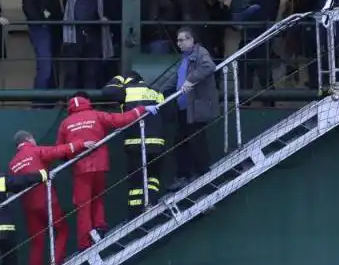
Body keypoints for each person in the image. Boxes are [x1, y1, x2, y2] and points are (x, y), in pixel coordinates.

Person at [56, 93, 158, 249]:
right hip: (100, 165)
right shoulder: (96, 115)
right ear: (87, 103)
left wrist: (70, 156)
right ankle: (100, 227)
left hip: (81, 168)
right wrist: (142, 109)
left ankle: (85, 244)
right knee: (98, 198)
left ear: (70, 107)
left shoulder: (65, 124)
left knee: (83, 207)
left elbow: (60, 150)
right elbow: (119, 120)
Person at [8, 131, 93, 265]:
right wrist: (81, 144)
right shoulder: (34, 150)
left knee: (37, 242)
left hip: (29, 206)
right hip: (46, 200)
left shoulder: (13, 164)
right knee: (62, 229)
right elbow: (57, 151)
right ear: (29, 139)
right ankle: (57, 263)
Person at [102, 71, 166, 214]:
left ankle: (136, 212)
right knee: (153, 178)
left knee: (136, 182)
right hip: (157, 144)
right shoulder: (156, 92)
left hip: (136, 143)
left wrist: (118, 78)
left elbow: (107, 92)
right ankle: (152, 203)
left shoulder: (127, 91)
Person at [163, 27, 218, 192]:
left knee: (194, 142)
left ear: (192, 40)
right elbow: (175, 80)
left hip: (195, 108)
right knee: (183, 142)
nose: (179, 43)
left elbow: (209, 67)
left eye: (182, 40)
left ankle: (200, 174)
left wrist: (191, 80)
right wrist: (157, 92)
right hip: (184, 108)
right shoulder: (185, 58)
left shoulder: (200, 53)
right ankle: (186, 175)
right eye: (178, 40)